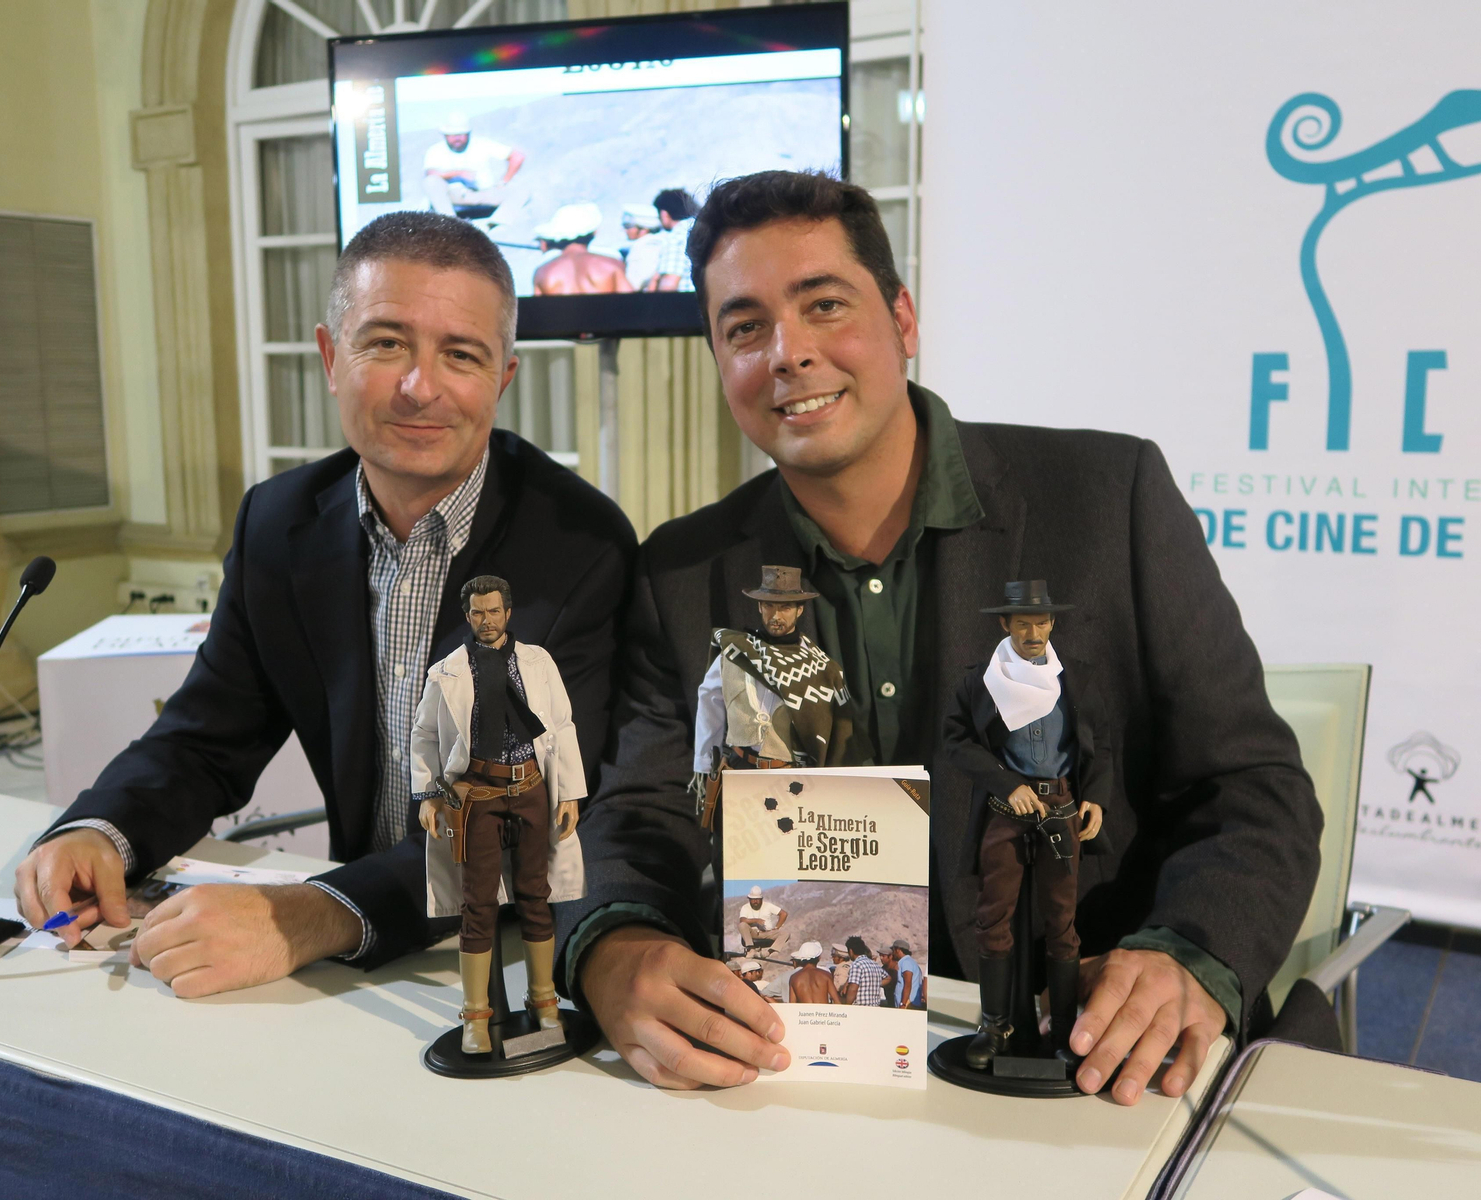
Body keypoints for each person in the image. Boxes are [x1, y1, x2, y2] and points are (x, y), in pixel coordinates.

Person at [560, 170, 1320, 1105]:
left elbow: (1252, 789)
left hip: (1085, 1061)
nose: (788, 353)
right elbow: (640, 813)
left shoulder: (1107, 498)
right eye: (745, 327)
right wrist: (611, 941)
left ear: (903, 320)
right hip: (805, 1063)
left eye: (824, 304)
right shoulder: (683, 570)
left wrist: (1191, 955)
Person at [14, 211, 635, 998]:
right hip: (353, 961)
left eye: (462, 355)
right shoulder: (279, 522)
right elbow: (207, 739)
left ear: (502, 379)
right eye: (386, 344)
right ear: (329, 356)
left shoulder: (581, 546)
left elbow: (532, 820)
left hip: (512, 962)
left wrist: (311, 914)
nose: (421, 386)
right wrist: (99, 830)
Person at [412, 575, 584, 1054]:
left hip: (530, 787)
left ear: (508, 612)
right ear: (466, 616)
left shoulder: (537, 662)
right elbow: (424, 734)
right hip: (478, 795)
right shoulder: (446, 672)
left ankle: (544, 1001)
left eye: (493, 611)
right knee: (478, 904)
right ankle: (476, 1015)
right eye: (476, 613)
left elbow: (563, 726)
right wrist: (428, 794)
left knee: (536, 896)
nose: (485, 621)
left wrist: (568, 793)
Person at [944, 580, 1110, 1069]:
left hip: (1060, 809)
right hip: (1007, 812)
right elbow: (956, 741)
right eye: (1022, 624)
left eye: (1040, 622)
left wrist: (1095, 799)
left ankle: (1061, 1032)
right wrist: (1004, 782)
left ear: (1053, 623)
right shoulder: (981, 682)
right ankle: (995, 1026)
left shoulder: (1075, 678)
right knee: (992, 918)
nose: (1033, 632)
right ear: (1005, 625)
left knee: (1063, 924)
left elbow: (1099, 746)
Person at [691, 564, 861, 829]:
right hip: (738, 770)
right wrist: (705, 761)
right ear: (759, 607)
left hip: (790, 780)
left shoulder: (821, 669)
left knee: (783, 850)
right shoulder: (735, 651)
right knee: (733, 853)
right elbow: (708, 698)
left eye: (785, 607)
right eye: (769, 606)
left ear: (799, 610)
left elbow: (838, 730)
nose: (775, 615)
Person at [422, 110, 524, 222]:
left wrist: (504, 182)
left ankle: (492, 225)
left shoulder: (482, 144)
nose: (457, 138)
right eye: (452, 135)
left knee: (521, 190)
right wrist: (459, 173)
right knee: (431, 182)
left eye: (461, 134)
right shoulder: (435, 151)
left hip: (483, 192)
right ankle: (451, 223)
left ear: (468, 133)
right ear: (444, 135)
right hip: (454, 194)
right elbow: (431, 174)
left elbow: (517, 157)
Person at [531, 204, 633, 296]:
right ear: (594, 232)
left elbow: (537, 313)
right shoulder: (611, 266)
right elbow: (635, 306)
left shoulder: (543, 272)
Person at [647, 187, 698, 292]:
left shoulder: (676, 237)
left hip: (684, 303)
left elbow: (669, 285)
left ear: (664, 214)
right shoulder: (702, 228)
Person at [736, 885, 788, 959]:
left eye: (757, 899)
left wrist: (777, 927)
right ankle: (751, 949)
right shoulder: (745, 907)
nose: (755, 901)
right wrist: (756, 920)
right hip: (753, 933)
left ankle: (769, 952)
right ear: (749, 899)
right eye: (753, 899)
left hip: (767, 932)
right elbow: (742, 920)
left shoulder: (768, 906)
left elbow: (784, 914)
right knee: (742, 925)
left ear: (761, 899)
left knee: (785, 933)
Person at [621, 203, 664, 290]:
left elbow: (635, 283)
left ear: (643, 228)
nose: (625, 230)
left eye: (628, 226)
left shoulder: (645, 246)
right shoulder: (659, 241)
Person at [840, 937, 887, 1006]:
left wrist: (847, 1006)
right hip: (875, 1008)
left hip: (860, 1008)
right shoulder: (874, 964)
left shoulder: (856, 965)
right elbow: (888, 978)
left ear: (851, 951)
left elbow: (853, 989)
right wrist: (874, 983)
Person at [891, 939, 924, 1010]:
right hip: (908, 1004)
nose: (892, 953)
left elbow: (908, 984)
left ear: (898, 950)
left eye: (893, 950)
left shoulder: (906, 962)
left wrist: (903, 1003)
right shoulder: (909, 962)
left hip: (908, 1005)